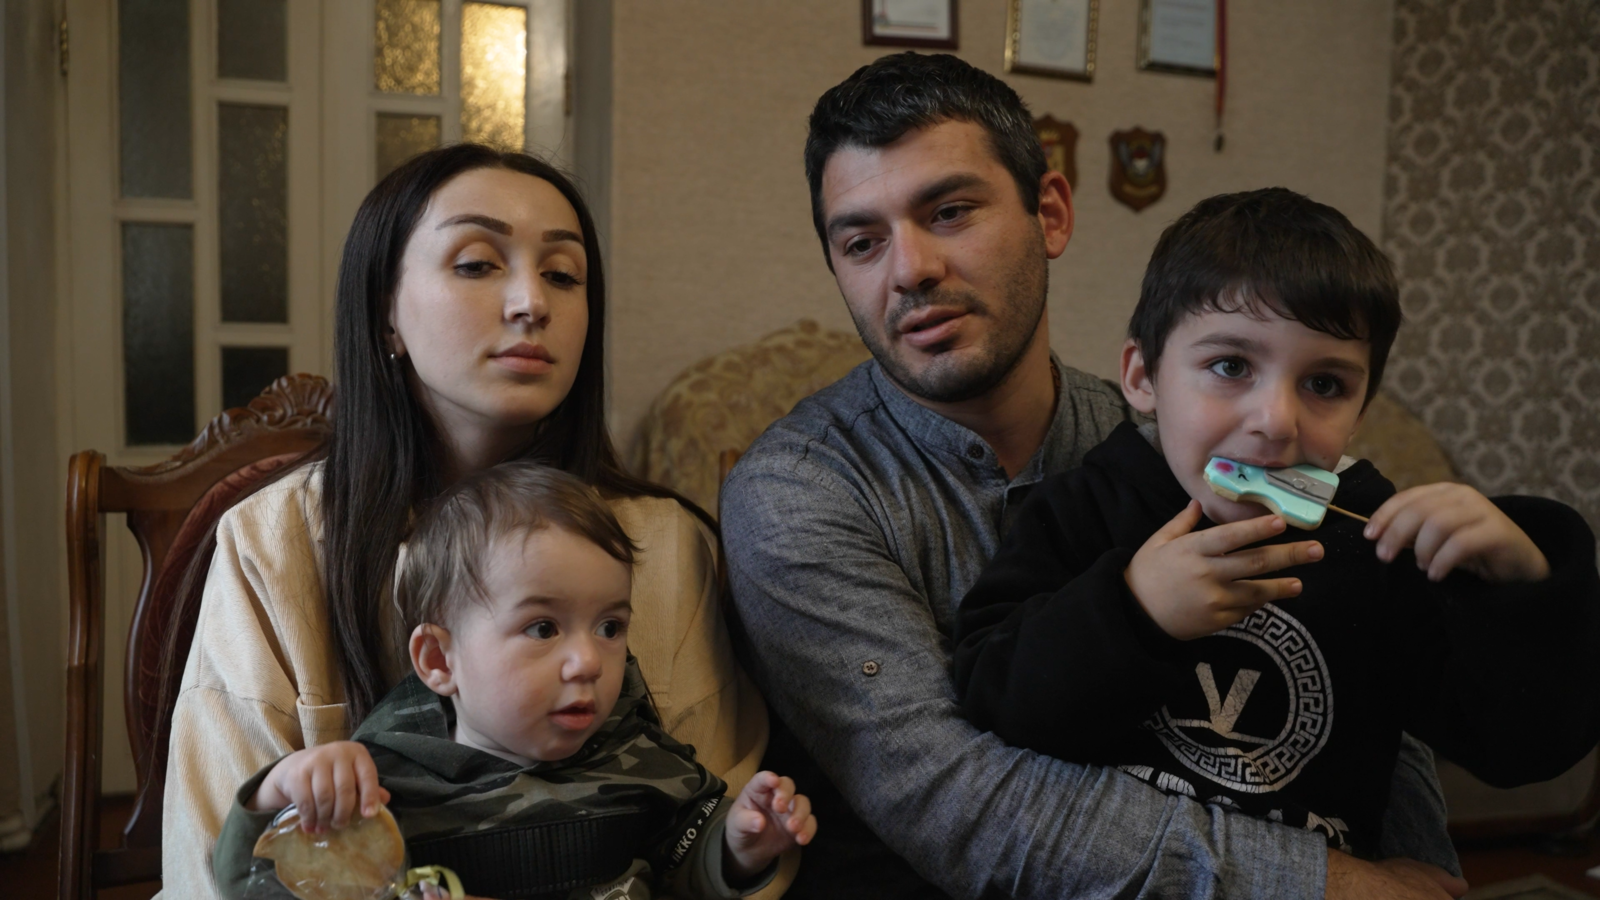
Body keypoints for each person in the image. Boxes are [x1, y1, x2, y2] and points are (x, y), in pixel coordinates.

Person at [720, 52, 1471, 899]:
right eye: (862, 241)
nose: (910, 269)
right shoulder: (796, 493)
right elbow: (957, 802)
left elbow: (1358, 665)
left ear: (1050, 213)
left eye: (952, 211)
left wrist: (1419, 873)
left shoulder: (1165, 440)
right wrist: (1331, 887)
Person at [162, 145, 770, 898]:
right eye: (478, 264)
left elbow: (719, 835)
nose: (530, 303)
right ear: (387, 312)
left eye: (562, 274)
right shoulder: (272, 540)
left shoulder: (669, 545)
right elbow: (209, 867)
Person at [951, 187, 1600, 859]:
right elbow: (991, 699)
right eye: (1230, 367)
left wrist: (1526, 584)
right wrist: (1135, 610)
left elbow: (1522, 746)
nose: (1277, 422)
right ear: (1142, 377)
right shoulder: (1083, 507)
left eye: (1325, 385)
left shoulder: (1374, 540)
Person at [213, 463, 816, 900]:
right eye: (542, 628)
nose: (588, 661)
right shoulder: (387, 790)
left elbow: (689, 865)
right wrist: (281, 791)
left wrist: (738, 847)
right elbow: (265, 887)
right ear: (439, 660)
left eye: (609, 626)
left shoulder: (642, 759)